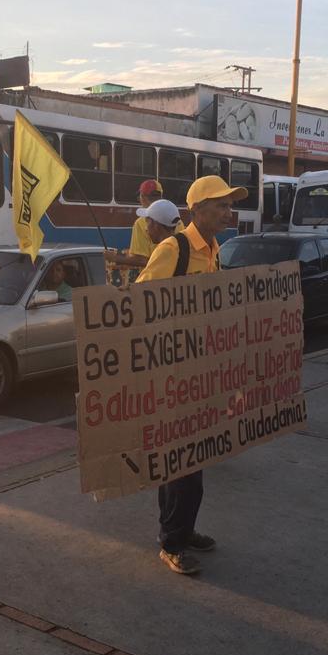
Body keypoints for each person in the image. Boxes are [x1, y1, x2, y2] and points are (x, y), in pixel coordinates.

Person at [137, 174, 246, 575]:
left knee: (195, 458)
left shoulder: (214, 250)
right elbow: (140, 306)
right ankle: (171, 542)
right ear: (196, 209)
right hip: (173, 375)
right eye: (220, 204)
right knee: (178, 462)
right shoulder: (173, 249)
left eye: (229, 205)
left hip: (202, 374)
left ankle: (184, 529)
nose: (227, 211)